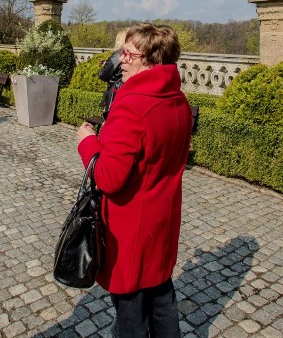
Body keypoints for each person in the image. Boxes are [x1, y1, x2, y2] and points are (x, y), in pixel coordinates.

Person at [76, 24, 192, 338]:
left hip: (131, 228)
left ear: (150, 60)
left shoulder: (131, 105)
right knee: (162, 301)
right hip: (163, 220)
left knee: (131, 315)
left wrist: (87, 142)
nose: (121, 60)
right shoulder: (178, 100)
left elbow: (109, 178)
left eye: (129, 54)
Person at [98, 29, 128, 120]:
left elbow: (103, 74)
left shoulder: (118, 55)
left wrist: (105, 65)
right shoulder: (129, 55)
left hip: (115, 92)